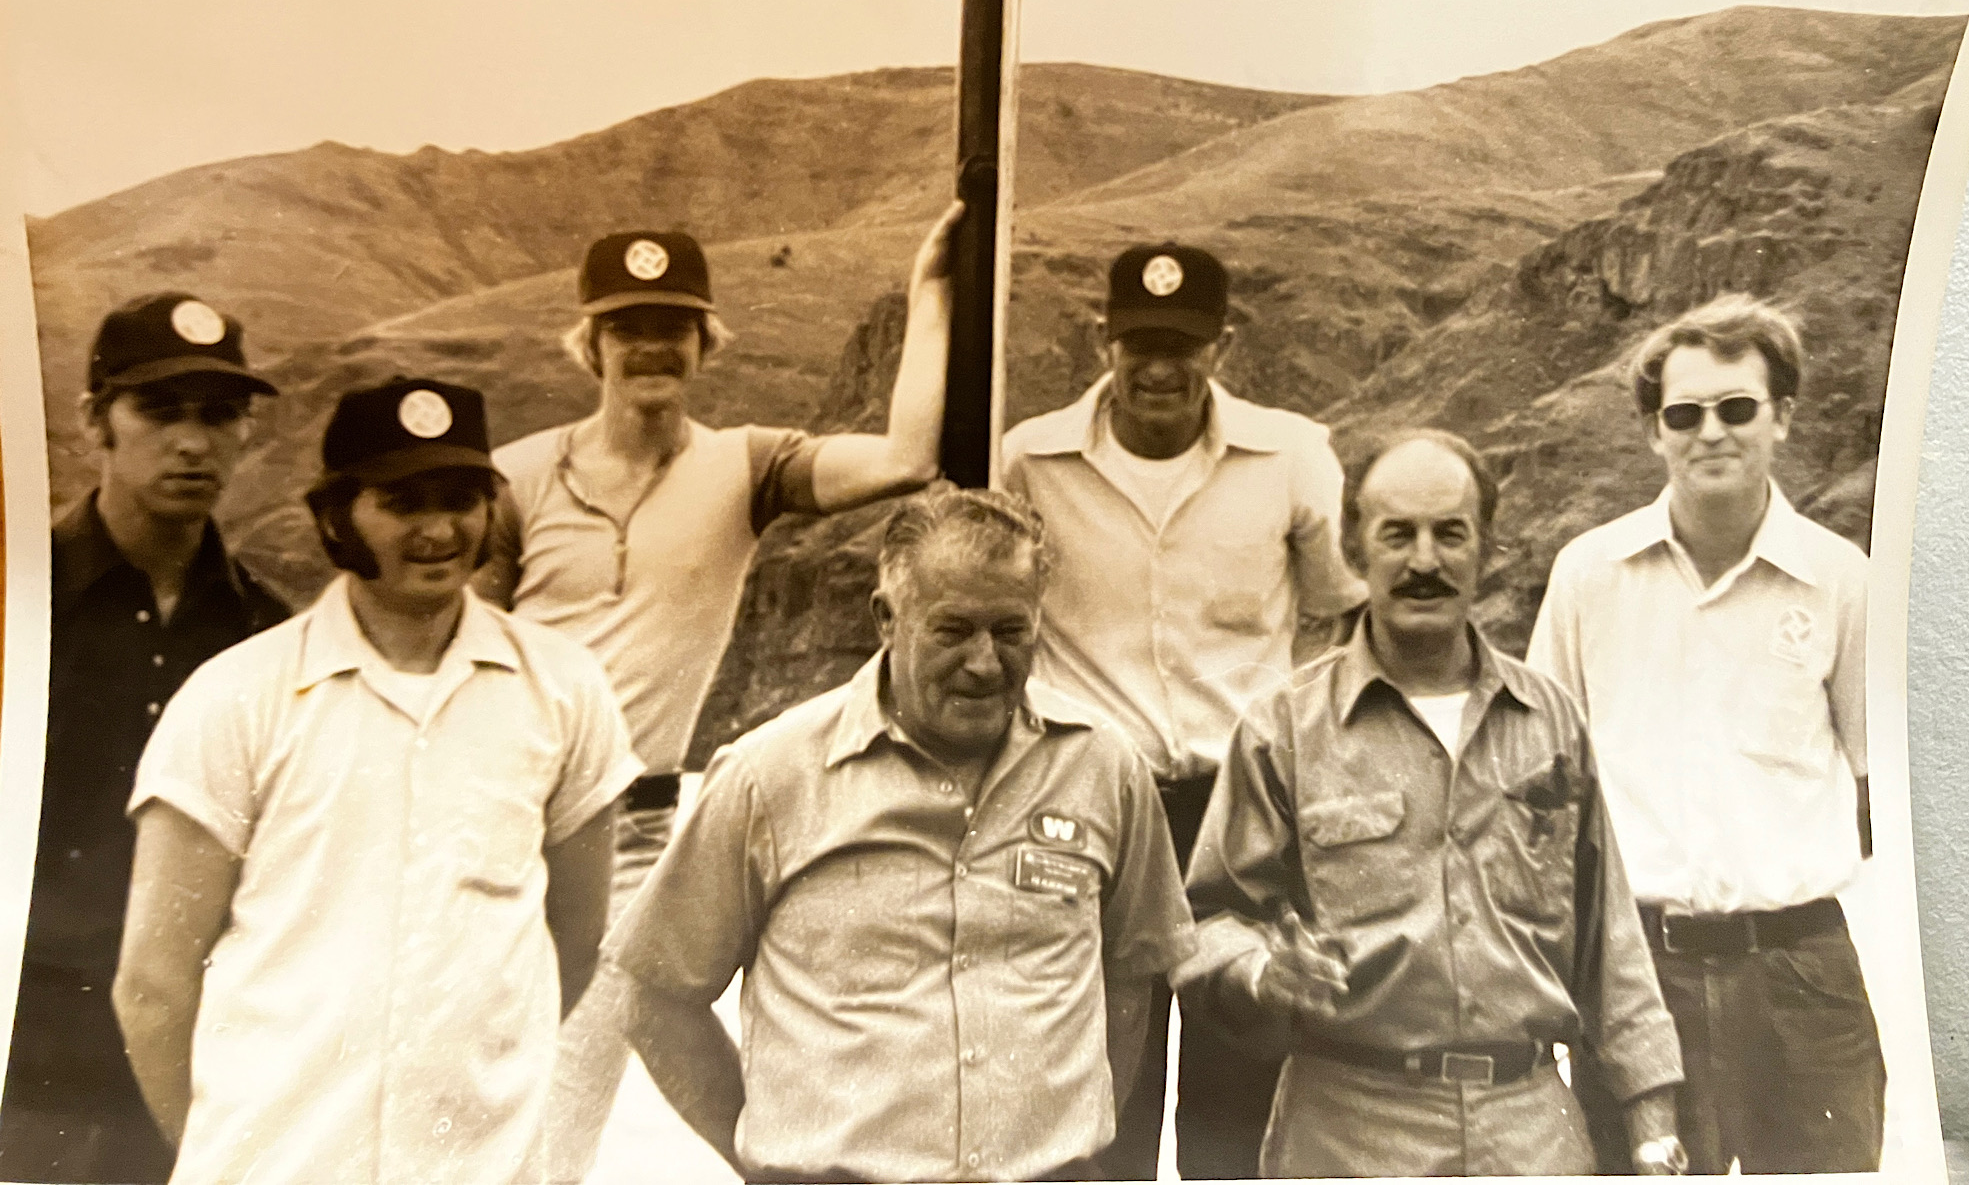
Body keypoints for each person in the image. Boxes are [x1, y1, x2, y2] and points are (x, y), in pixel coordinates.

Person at [477, 203, 958, 1181]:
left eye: (674, 326)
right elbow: (458, 653)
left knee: (561, 1113)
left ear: (704, 343)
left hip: (630, 836)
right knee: (460, 1092)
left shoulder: (745, 465)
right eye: (626, 327)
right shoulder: (514, 480)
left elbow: (905, 460)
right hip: (493, 821)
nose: (651, 346)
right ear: (590, 345)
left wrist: (931, 291)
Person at [112, 377, 641, 1185]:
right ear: (335, 517)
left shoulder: (564, 687)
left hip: (483, 1167)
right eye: (402, 503)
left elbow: (571, 941)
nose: (439, 530)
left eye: (462, 500)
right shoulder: (235, 695)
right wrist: (228, 1152)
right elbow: (152, 983)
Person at [609, 487, 1196, 1184]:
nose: (985, 663)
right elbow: (655, 993)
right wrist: (761, 1162)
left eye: (1011, 631)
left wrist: (1076, 1142)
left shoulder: (1103, 767)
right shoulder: (769, 777)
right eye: (953, 631)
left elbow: (1132, 972)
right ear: (887, 618)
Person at [1181, 429, 1687, 1178]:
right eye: (1398, 535)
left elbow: (1610, 943)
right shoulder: (1281, 729)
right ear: (1354, 550)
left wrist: (1652, 1126)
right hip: (1350, 1129)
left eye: (1450, 533)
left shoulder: (1549, 720)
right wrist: (1262, 971)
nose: (1425, 561)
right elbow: (1204, 924)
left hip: (1530, 1131)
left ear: (1487, 548)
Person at [997, 241, 1364, 1178]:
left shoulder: (1292, 457)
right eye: (1140, 344)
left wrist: (1313, 757)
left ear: (1222, 347)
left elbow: (1344, 606)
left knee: (1235, 1105)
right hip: (1091, 810)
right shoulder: (1030, 462)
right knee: (1097, 1096)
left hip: (1242, 815)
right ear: (1104, 342)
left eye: (1184, 345)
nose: (1160, 367)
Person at [1527, 294, 1883, 1174]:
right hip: (1640, 974)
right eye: (1684, 414)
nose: (1711, 432)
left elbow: (1882, 778)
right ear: (1655, 431)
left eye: (1737, 407)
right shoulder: (1589, 576)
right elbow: (1539, 782)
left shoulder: (1842, 581)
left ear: (1782, 416)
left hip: (1802, 976)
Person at [0, 293, 287, 1184]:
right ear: (96, 421)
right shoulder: (20, 599)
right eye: (160, 412)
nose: (193, 443)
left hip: (188, 1056)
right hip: (25, 1052)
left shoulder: (269, 637)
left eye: (220, 415)